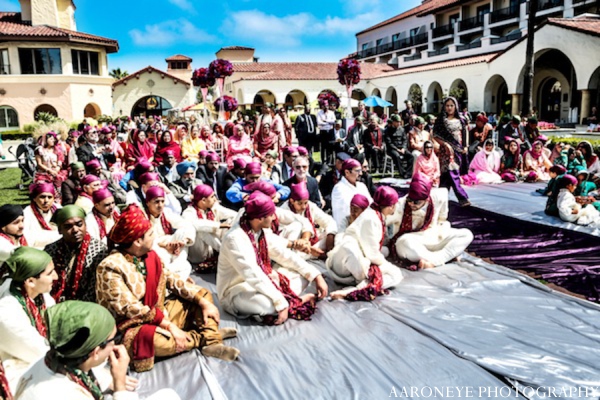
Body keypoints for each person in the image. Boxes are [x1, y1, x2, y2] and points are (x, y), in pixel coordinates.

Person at [96, 204, 239, 372]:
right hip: (133, 326)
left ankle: (210, 341)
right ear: (137, 241)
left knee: (202, 294)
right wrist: (170, 327)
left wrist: (202, 301)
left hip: (160, 312)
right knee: (157, 341)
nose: (154, 236)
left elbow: (172, 280)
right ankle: (205, 337)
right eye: (150, 234)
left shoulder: (150, 256)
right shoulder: (111, 266)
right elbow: (131, 309)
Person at [16, 300, 180, 400]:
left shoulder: (52, 358)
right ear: (95, 352)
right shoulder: (69, 394)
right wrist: (120, 382)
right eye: (113, 340)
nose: (116, 345)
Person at [217, 192, 328, 324]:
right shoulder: (234, 239)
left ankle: (285, 301)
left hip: (262, 281)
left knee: (303, 277)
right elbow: (252, 273)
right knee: (267, 305)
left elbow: (283, 255)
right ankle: (288, 302)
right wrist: (280, 303)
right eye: (270, 215)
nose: (274, 217)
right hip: (236, 291)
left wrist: (316, 276)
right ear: (259, 218)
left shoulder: (259, 232)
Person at [327, 186, 403, 301]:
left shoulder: (376, 215)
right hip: (344, 264)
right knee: (349, 247)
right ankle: (363, 286)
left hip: (360, 263)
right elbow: (372, 253)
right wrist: (386, 265)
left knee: (396, 275)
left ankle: (356, 289)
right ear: (390, 206)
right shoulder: (370, 218)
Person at [0, 247, 57, 393]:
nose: (56, 277)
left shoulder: (39, 294)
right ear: (30, 281)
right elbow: (39, 351)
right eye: (50, 273)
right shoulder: (7, 314)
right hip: (18, 367)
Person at [389, 173, 474, 270]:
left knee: (467, 234)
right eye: (410, 199)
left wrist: (441, 232)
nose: (411, 204)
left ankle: (433, 260)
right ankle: (444, 258)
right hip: (414, 242)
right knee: (403, 243)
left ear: (427, 199)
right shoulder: (400, 206)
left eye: (416, 202)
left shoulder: (440, 196)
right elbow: (383, 224)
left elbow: (442, 219)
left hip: (434, 237)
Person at [44, 205, 107, 303]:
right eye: (68, 226)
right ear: (60, 230)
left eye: (79, 224)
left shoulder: (98, 251)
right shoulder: (51, 250)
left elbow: (93, 290)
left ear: (85, 225)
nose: (75, 230)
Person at [142, 187, 194, 280]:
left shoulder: (166, 212)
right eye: (156, 202)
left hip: (171, 246)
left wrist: (182, 241)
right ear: (148, 203)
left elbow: (187, 225)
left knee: (182, 231)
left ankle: (170, 272)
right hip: (155, 248)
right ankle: (174, 281)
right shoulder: (143, 217)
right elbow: (146, 242)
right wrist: (165, 245)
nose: (160, 205)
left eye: (162, 201)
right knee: (186, 266)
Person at [183, 185, 237, 272]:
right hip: (199, 254)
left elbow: (234, 214)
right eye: (212, 197)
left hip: (213, 249)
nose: (215, 199)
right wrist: (219, 225)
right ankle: (224, 251)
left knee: (232, 220)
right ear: (203, 200)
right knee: (200, 230)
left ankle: (229, 250)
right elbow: (195, 223)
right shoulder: (189, 212)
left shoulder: (213, 208)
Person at [281, 182, 336, 259]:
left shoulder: (310, 206)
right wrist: (304, 242)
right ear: (291, 201)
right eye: (300, 203)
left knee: (336, 235)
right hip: (294, 246)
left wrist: (330, 236)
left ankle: (317, 254)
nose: (303, 207)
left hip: (311, 243)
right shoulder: (284, 210)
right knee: (296, 226)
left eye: (305, 203)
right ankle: (318, 255)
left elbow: (328, 221)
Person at [432, 97, 471, 207]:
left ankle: (440, 198)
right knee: (452, 173)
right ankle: (462, 197)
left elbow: (464, 133)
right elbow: (435, 135)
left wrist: (465, 147)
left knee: (446, 176)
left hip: (458, 150)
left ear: (456, 107)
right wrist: (445, 144)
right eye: (447, 105)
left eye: (451, 105)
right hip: (446, 152)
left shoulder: (461, 120)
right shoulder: (441, 120)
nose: (449, 108)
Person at [225, 162, 290, 210]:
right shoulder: (241, 182)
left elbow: (286, 189)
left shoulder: (265, 181)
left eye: (257, 177)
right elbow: (230, 193)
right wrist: (247, 196)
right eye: (252, 178)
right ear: (245, 176)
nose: (255, 181)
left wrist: (276, 195)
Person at [331, 159, 373, 228]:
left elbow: (371, 204)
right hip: (347, 229)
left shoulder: (361, 186)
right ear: (347, 172)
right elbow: (346, 213)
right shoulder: (339, 188)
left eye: (361, 170)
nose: (361, 173)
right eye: (357, 171)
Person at [23, 182, 61, 249]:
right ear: (34, 198)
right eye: (42, 197)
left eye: (49, 197)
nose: (46, 200)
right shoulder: (27, 213)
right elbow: (28, 239)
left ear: (53, 199)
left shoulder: (58, 209)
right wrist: (57, 235)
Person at [384, 114, 414, 179]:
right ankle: (402, 173)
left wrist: (403, 148)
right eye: (397, 122)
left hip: (402, 148)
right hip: (392, 149)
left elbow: (405, 140)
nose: (399, 123)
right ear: (393, 122)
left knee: (411, 156)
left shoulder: (402, 129)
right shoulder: (388, 131)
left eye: (399, 122)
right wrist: (397, 149)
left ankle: (408, 173)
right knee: (397, 156)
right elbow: (389, 143)